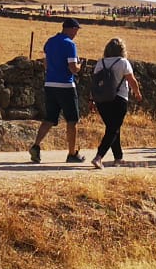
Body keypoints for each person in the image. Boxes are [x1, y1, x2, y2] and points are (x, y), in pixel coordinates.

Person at [32, 18, 84, 164]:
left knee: (49, 118)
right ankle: (72, 153)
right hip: (66, 85)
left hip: (50, 84)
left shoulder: (50, 41)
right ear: (72, 29)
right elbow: (73, 68)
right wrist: (79, 67)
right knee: (72, 120)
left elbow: (46, 63)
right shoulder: (70, 44)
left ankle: (36, 145)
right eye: (76, 30)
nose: (76, 33)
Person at [88, 38, 142, 169]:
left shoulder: (101, 63)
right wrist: (137, 93)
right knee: (113, 129)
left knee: (112, 128)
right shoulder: (123, 62)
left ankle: (118, 157)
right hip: (119, 99)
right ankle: (98, 157)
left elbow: (95, 83)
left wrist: (91, 99)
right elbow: (132, 80)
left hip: (102, 100)